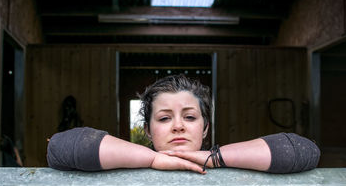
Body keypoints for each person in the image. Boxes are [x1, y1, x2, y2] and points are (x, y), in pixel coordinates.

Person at [47, 74, 320, 174]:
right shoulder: (133, 157)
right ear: (147, 130)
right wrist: (153, 160)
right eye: (164, 118)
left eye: (190, 117)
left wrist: (214, 158)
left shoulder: (225, 159)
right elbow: (58, 148)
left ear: (205, 127)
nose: (178, 126)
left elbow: (305, 150)